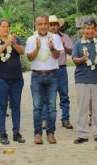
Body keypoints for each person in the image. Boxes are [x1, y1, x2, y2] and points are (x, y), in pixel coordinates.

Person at [26, 15, 64, 144]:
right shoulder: (31, 39)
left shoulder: (56, 37)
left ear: (48, 25)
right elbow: (30, 58)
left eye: (45, 24)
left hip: (52, 75)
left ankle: (51, 133)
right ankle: (37, 134)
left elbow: (57, 56)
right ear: (36, 25)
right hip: (36, 76)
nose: (43, 26)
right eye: (40, 24)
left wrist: (52, 47)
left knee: (52, 107)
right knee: (37, 107)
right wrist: (37, 48)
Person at [0, 20, 26, 145]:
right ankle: (3, 134)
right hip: (1, 79)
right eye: (3, 27)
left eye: (7, 27)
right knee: (2, 106)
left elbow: (22, 51)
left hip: (17, 79)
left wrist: (13, 42)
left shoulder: (16, 39)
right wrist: (5, 45)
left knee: (16, 105)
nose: (5, 29)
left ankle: (16, 133)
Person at [72, 18, 97, 144]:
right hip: (82, 78)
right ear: (83, 30)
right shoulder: (77, 44)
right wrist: (83, 58)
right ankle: (82, 134)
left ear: (95, 30)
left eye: (92, 28)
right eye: (87, 28)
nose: (89, 31)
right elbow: (75, 60)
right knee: (82, 107)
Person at [40, 15, 73, 129]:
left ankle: (65, 119)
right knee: (46, 96)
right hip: (48, 70)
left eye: (55, 24)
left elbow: (71, 52)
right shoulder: (42, 38)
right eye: (51, 24)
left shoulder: (65, 37)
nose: (53, 27)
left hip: (61, 69)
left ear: (58, 26)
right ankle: (45, 120)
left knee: (64, 95)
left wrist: (64, 46)